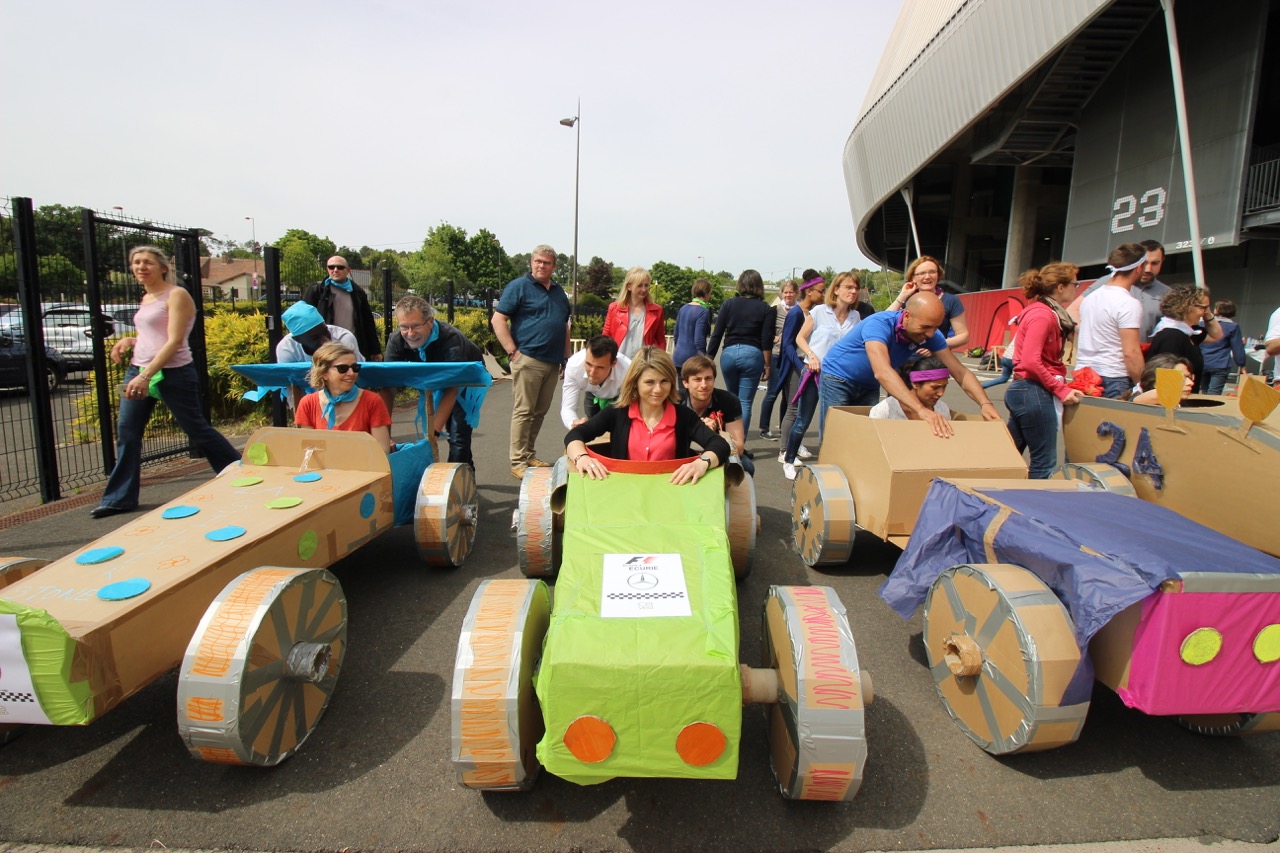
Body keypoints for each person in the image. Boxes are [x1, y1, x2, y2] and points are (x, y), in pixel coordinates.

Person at [91, 246, 240, 519]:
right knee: (127, 432)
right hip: (139, 369)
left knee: (196, 429)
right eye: (136, 262)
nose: (140, 267)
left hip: (172, 372)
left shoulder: (177, 295)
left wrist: (146, 376)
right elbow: (153, 336)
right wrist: (130, 341)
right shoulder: (147, 298)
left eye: (147, 262)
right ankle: (118, 499)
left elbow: (174, 340)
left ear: (162, 267)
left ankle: (239, 474)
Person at [820, 292, 1001, 438]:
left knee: (866, 437)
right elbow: (882, 371)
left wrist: (984, 403)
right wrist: (921, 410)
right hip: (839, 377)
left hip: (869, 384)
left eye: (935, 327)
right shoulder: (879, 324)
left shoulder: (931, 334)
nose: (930, 334)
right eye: (925, 327)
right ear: (907, 316)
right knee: (836, 434)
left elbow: (959, 371)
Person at [564, 347, 730, 486]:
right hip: (623, 491)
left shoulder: (684, 416)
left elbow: (719, 444)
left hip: (672, 494)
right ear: (635, 382)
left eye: (664, 381)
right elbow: (575, 435)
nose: (658, 389)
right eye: (650, 382)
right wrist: (582, 458)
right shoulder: (616, 412)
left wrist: (702, 463)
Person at [492, 245, 572, 479]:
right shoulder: (519, 287)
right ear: (531, 262)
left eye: (546, 262)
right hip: (528, 358)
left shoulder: (559, 292)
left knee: (539, 412)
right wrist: (512, 351)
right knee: (524, 411)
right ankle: (518, 461)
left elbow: (564, 326)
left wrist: (566, 358)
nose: (541, 265)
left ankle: (528, 454)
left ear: (554, 266)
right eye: (537, 261)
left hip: (552, 361)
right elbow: (498, 320)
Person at [379, 295, 483, 467]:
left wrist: (433, 433)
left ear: (430, 321)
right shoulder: (396, 340)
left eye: (416, 326)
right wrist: (384, 435)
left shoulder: (451, 340)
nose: (410, 334)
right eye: (404, 327)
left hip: (466, 379)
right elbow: (388, 387)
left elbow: (451, 389)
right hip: (431, 374)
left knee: (458, 435)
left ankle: (460, 475)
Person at [1003, 263, 1085, 479]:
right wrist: (1061, 389)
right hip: (1033, 391)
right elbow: (1031, 361)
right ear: (1060, 287)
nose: (1077, 288)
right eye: (1075, 284)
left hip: (1026, 390)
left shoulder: (1041, 312)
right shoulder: (1044, 315)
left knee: (1008, 458)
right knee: (1044, 462)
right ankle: (1032, 508)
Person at [797, 270, 873, 441]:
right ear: (836, 289)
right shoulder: (819, 311)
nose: (854, 291)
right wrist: (812, 355)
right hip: (815, 372)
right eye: (849, 287)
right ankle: (788, 455)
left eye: (856, 288)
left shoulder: (856, 316)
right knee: (803, 419)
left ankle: (833, 456)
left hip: (840, 377)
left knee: (836, 421)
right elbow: (800, 338)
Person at [707, 269, 775, 439]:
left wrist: (708, 358)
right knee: (744, 403)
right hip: (752, 354)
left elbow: (717, 333)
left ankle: (729, 442)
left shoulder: (729, 304)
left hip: (729, 353)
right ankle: (740, 446)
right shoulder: (765, 308)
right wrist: (767, 365)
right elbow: (766, 339)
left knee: (732, 399)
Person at [1074, 242, 1146, 399]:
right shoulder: (1128, 303)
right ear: (1139, 268)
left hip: (1083, 376)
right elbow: (1131, 352)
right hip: (1113, 378)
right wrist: (1141, 383)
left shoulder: (1091, 298)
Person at [296, 342, 392, 454]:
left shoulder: (372, 401)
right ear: (324, 373)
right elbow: (308, 450)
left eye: (355, 367)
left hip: (363, 468)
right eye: (343, 368)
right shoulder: (308, 403)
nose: (351, 373)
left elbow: (383, 450)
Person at [775, 274, 827, 476]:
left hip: (809, 366)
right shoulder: (796, 313)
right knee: (793, 409)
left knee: (804, 410)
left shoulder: (815, 312)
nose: (824, 294)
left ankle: (796, 445)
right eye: (821, 291)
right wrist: (799, 365)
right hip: (797, 367)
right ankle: (784, 450)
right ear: (809, 292)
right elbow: (788, 343)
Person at [1070, 240, 1169, 342]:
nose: (1148, 269)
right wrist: (1093, 338)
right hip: (1108, 355)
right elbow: (1072, 311)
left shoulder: (1168, 294)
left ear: (1162, 261)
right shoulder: (1107, 282)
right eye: (1145, 263)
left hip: (1146, 356)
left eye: (1155, 263)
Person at [276, 302, 364, 408]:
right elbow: (291, 386)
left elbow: (354, 378)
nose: (325, 340)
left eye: (325, 331)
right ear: (297, 339)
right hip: (306, 400)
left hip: (346, 397)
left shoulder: (344, 339)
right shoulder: (287, 348)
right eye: (315, 338)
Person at [680, 354, 754, 476]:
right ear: (685, 383)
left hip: (721, 453)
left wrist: (714, 434)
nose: (703, 385)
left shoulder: (728, 400)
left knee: (747, 466)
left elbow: (739, 448)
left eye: (708, 378)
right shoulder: (675, 402)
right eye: (697, 380)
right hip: (686, 452)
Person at [301, 255, 381, 362]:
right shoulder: (316, 291)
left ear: (348, 270)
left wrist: (375, 350)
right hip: (325, 348)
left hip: (351, 345)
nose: (335, 270)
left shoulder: (358, 292)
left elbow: (368, 322)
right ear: (327, 269)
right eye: (331, 267)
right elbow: (304, 321)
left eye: (340, 267)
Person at [886, 256, 969, 351]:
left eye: (932, 272)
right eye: (921, 273)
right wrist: (902, 295)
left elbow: (963, 336)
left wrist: (935, 346)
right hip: (903, 357)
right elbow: (884, 321)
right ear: (913, 278)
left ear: (938, 275)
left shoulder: (951, 300)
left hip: (935, 359)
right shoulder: (907, 299)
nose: (927, 277)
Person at [1145, 285, 1211, 391]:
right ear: (1186, 307)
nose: (1206, 312)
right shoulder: (1172, 336)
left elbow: (1217, 335)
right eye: (1203, 308)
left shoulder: (1187, 332)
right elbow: (1167, 380)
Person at [561, 335, 631, 428]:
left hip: (619, 396)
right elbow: (568, 407)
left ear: (614, 363)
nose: (592, 372)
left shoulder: (628, 370)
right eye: (589, 364)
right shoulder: (574, 366)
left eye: (600, 367)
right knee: (591, 427)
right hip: (592, 393)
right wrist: (573, 423)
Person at [758, 279, 798, 438]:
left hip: (792, 357)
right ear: (782, 293)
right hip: (775, 355)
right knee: (772, 392)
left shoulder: (800, 310)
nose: (788, 295)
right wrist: (775, 338)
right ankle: (764, 428)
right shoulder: (774, 310)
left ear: (796, 293)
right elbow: (766, 332)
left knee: (788, 395)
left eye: (791, 292)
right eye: (785, 292)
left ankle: (784, 427)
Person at [602, 267, 665, 359]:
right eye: (640, 286)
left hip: (644, 362)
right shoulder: (614, 308)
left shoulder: (657, 310)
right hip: (618, 360)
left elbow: (660, 340)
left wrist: (660, 360)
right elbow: (606, 336)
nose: (644, 289)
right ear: (629, 287)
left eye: (646, 285)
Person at [869, 357, 954, 421]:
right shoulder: (886, 410)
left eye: (944, 386)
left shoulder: (942, 410)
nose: (941, 393)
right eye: (935, 387)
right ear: (915, 384)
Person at [1199, 300, 1246, 395]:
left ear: (1217, 310)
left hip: (1202, 362)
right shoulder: (1233, 326)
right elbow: (1237, 347)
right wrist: (1242, 365)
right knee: (1214, 392)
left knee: (1204, 391)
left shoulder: (1202, 324)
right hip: (1221, 363)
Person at [671, 278, 713, 371]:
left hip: (678, 356)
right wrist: (703, 358)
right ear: (706, 293)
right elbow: (699, 339)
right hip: (693, 359)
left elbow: (676, 334)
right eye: (710, 293)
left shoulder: (683, 308)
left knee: (681, 385)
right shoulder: (703, 311)